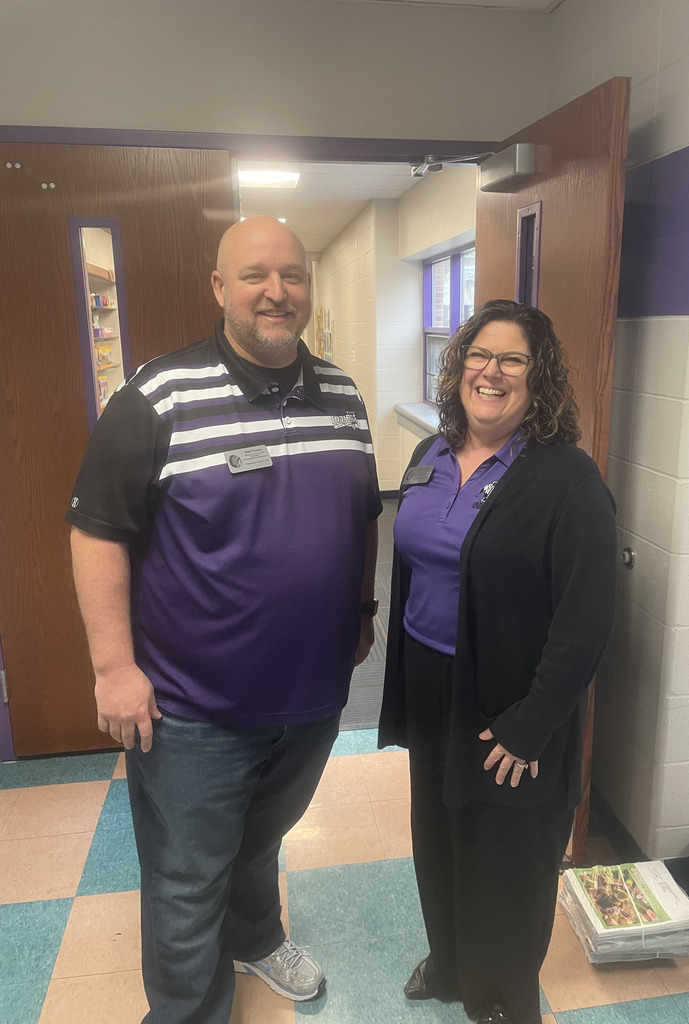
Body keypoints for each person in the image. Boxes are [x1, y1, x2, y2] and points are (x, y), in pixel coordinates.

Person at [67, 216, 381, 1024]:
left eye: (292, 275)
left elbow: (360, 516)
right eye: (254, 275)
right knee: (185, 879)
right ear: (219, 287)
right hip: (192, 710)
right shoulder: (158, 397)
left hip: (310, 698)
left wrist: (361, 609)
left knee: (259, 839)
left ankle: (255, 936)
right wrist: (114, 669)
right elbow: (96, 532)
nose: (276, 292)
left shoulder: (343, 395)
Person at [378, 299, 617, 1024]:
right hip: (432, 686)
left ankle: (502, 998)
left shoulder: (567, 479)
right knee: (438, 833)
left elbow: (586, 618)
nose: (492, 371)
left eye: (513, 359)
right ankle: (451, 964)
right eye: (480, 355)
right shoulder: (429, 455)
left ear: (539, 378)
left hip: (512, 701)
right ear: (458, 368)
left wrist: (533, 723)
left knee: (507, 857)